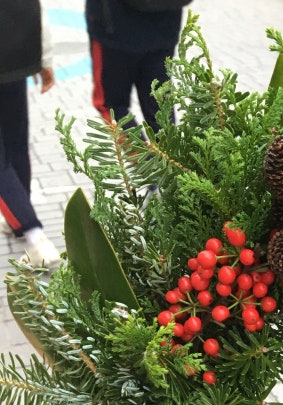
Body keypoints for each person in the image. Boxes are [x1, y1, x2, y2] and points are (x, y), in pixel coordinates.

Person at [0, 0, 62, 268]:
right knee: (15, 142)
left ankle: (34, 237)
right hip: (13, 54)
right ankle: (19, 221)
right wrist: (43, 57)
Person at [85, 0, 189, 134]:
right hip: (165, 25)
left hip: (115, 29)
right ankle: (170, 154)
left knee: (110, 106)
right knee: (159, 105)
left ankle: (145, 155)